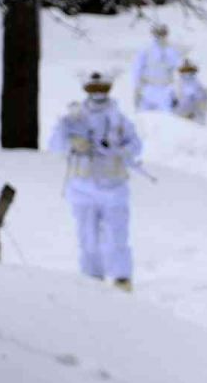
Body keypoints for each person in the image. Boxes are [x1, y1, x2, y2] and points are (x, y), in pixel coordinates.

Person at [48, 71, 143, 291]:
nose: (98, 94)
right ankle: (91, 280)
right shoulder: (73, 117)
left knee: (116, 235)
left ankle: (122, 278)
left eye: (102, 89)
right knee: (87, 236)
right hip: (82, 185)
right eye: (93, 89)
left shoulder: (119, 118)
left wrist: (117, 150)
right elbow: (55, 145)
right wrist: (72, 143)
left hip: (114, 185)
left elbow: (136, 146)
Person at [132, 23, 184, 112]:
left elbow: (179, 71)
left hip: (165, 90)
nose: (159, 36)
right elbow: (137, 69)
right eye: (157, 33)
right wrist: (137, 88)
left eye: (162, 33)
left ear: (166, 34)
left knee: (167, 118)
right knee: (144, 118)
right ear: (152, 33)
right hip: (147, 89)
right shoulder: (146, 50)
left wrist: (176, 91)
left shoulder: (171, 51)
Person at [174, 59, 207, 124]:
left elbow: (203, 98)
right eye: (185, 71)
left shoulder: (197, 83)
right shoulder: (178, 84)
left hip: (196, 114)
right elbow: (177, 98)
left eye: (189, 70)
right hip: (182, 114)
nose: (187, 73)